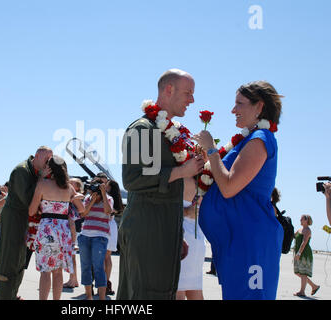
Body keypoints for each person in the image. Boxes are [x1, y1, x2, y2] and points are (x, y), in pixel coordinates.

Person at [118, 69, 204, 300]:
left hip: (165, 228)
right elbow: (133, 179)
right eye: (188, 93)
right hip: (147, 230)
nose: (192, 100)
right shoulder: (143, 129)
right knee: (145, 295)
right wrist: (181, 171)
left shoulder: (167, 132)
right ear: (169, 89)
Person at [194, 80, 284, 300]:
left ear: (259, 106)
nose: (233, 110)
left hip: (250, 240)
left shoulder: (260, 140)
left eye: (239, 104)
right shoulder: (249, 139)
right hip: (239, 240)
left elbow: (229, 187)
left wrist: (212, 149)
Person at [0, 146, 53, 300]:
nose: (48, 163)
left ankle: (12, 294)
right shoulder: (22, 171)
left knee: (20, 260)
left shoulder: (33, 171)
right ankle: (4, 296)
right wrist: (42, 180)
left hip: (22, 219)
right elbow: (29, 199)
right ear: (37, 156)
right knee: (10, 259)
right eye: (46, 160)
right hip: (15, 218)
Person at [29, 155, 84, 300]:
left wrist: (42, 178)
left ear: (49, 168)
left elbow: (31, 211)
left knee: (46, 271)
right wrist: (70, 199)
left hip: (47, 229)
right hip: (63, 230)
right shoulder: (69, 187)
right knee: (58, 271)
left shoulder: (42, 184)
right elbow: (82, 209)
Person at [78, 180, 113, 300]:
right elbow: (83, 214)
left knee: (98, 267)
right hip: (85, 236)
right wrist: (92, 200)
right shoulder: (88, 198)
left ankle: (102, 297)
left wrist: (103, 194)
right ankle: (89, 296)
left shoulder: (108, 198)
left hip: (100, 237)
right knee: (85, 266)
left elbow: (108, 211)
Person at [177, 178, 206, 300]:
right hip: (190, 240)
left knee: (185, 292)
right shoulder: (201, 181)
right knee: (189, 291)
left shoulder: (190, 178)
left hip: (190, 241)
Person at [63, 177, 84, 289]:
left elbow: (81, 208)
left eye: (72, 182)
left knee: (71, 256)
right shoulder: (70, 193)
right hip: (70, 224)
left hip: (72, 223)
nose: (69, 183)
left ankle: (73, 279)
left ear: (77, 187)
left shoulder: (76, 194)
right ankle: (73, 279)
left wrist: (73, 197)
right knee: (71, 257)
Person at [293, 214, 320, 297]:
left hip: (304, 254)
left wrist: (299, 253)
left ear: (306, 220)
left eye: (301, 219)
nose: (300, 220)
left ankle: (302, 291)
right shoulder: (300, 229)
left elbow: (304, 243)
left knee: (303, 273)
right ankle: (314, 286)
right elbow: (293, 236)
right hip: (298, 253)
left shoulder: (307, 230)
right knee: (298, 272)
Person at [104, 179, 123, 296]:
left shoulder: (107, 199)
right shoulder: (117, 200)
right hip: (112, 226)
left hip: (106, 226)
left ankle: (104, 283)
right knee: (107, 256)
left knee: (104, 257)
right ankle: (106, 282)